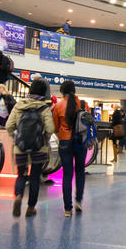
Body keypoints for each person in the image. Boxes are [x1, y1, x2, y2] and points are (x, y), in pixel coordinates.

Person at [5, 79, 55, 217]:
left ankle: (18, 196)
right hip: (39, 148)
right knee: (35, 177)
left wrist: (16, 138)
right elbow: (50, 128)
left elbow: (9, 126)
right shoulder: (44, 108)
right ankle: (31, 207)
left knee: (21, 175)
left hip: (20, 147)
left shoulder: (18, 106)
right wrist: (45, 138)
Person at [52, 80, 86, 217]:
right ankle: (78, 200)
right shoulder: (83, 104)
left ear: (62, 91)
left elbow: (55, 127)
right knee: (80, 171)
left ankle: (67, 209)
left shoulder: (58, 106)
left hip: (65, 142)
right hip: (80, 142)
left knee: (67, 174)